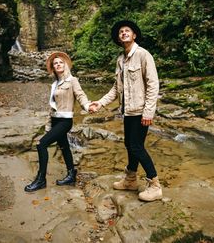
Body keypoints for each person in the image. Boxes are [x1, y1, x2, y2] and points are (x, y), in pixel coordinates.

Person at [89, 20, 162, 202]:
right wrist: (100, 103)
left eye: (127, 30)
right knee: (130, 145)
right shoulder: (120, 60)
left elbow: (153, 85)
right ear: (119, 38)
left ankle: (155, 185)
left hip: (140, 111)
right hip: (127, 111)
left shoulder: (144, 55)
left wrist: (148, 112)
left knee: (137, 146)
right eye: (121, 31)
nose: (123, 33)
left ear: (134, 35)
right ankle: (130, 180)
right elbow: (116, 88)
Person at [24, 52, 90, 192]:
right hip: (55, 120)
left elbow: (80, 95)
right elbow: (51, 107)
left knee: (41, 145)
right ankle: (71, 174)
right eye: (55, 63)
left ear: (65, 65)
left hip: (65, 121)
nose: (58, 64)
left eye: (61, 62)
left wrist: (87, 106)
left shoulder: (72, 80)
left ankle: (41, 180)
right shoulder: (54, 84)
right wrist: (48, 126)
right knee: (64, 146)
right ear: (53, 68)